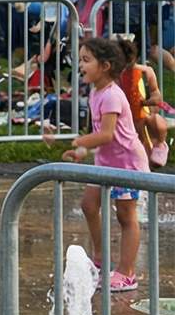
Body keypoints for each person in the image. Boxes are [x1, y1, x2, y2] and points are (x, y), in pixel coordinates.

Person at [46, 37, 154, 291]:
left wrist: (75, 141)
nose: (80, 65)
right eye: (80, 59)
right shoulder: (96, 93)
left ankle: (127, 273)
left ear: (105, 66)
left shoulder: (112, 96)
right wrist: (82, 150)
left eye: (86, 60)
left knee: (126, 216)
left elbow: (107, 134)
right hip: (105, 162)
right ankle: (100, 259)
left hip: (126, 165)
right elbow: (99, 135)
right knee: (88, 204)